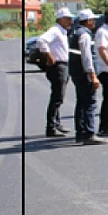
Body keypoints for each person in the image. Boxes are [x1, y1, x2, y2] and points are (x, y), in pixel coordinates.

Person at [36, 7, 75, 137]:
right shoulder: (55, 30)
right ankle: (51, 127)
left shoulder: (62, 31)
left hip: (63, 65)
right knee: (57, 97)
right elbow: (41, 41)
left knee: (59, 96)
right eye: (68, 19)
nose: (71, 21)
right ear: (61, 19)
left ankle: (56, 124)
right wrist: (49, 56)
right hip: (58, 66)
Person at [69, 9, 105, 145]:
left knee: (81, 103)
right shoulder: (84, 35)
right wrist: (93, 76)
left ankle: (81, 132)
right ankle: (89, 133)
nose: (94, 22)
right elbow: (87, 58)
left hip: (77, 73)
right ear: (88, 21)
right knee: (90, 103)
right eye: (92, 20)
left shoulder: (75, 33)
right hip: (84, 75)